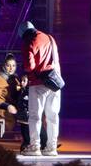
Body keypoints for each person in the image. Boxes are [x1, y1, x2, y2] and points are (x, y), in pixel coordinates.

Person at [19, 20, 63, 156]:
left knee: (35, 116)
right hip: (54, 82)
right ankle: (51, 147)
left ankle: (35, 147)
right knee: (53, 116)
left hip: (38, 83)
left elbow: (29, 66)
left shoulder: (29, 42)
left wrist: (25, 71)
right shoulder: (50, 38)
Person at [0, 55, 33, 150]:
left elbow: (15, 95)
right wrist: (7, 106)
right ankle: (28, 143)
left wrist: (23, 87)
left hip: (12, 107)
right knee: (24, 116)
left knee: (30, 113)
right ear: (4, 66)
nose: (11, 68)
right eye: (8, 65)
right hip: (0, 110)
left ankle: (37, 142)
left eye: (13, 65)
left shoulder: (14, 78)